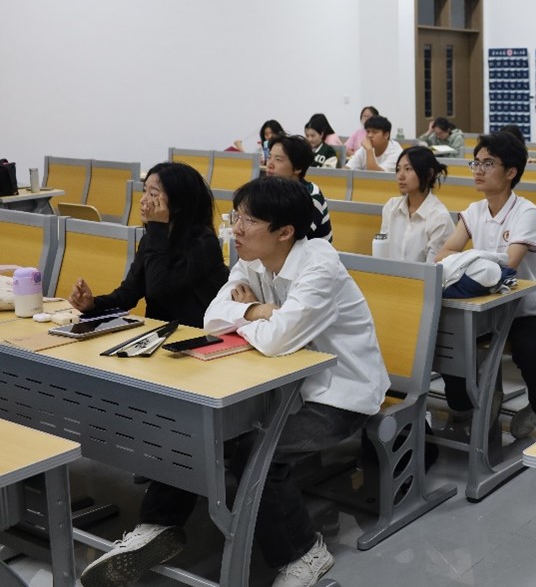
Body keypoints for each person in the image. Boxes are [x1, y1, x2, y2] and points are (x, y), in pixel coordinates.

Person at [80, 176, 390, 587]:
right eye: (236, 216)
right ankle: (157, 526)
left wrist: (253, 315)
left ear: (285, 231)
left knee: (257, 453)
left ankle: (304, 552)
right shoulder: (251, 259)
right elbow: (212, 317)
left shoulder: (320, 266)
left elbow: (277, 340)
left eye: (249, 220)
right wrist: (261, 310)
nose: (235, 229)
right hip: (276, 388)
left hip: (339, 394)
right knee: (190, 428)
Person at [436, 131, 536, 440]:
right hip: (486, 309)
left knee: (528, 350)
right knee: (447, 336)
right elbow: (443, 254)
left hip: (529, 310)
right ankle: (469, 402)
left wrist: (470, 261)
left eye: (488, 163)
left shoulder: (526, 212)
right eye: (476, 163)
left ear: (510, 172)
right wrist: (478, 262)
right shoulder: (474, 211)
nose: (478, 170)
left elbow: (509, 266)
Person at [68, 162, 227, 328]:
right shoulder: (152, 239)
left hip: (195, 334)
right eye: (144, 191)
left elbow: (158, 289)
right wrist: (93, 304)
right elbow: (129, 293)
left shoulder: (204, 243)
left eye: (153, 194)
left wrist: (157, 226)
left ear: (178, 203)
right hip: (160, 332)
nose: (143, 200)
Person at [378, 146, 456, 263]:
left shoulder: (439, 218)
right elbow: (382, 252)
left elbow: (432, 269)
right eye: (398, 169)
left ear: (429, 174)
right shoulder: (391, 207)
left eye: (408, 169)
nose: (400, 176)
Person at [266, 135, 333, 242]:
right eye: (269, 157)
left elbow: (293, 238)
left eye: (278, 159)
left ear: (298, 168)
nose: (269, 164)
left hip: (310, 251)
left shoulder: (311, 196)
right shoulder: (267, 189)